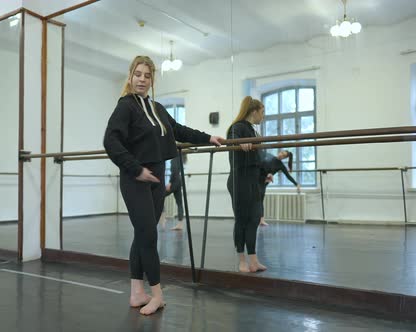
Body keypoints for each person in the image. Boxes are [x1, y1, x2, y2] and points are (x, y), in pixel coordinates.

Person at [103, 55, 225, 315]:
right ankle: (157, 294)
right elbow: (111, 141)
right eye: (138, 74)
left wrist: (208, 137)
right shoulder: (125, 106)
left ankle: (137, 292)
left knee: (142, 234)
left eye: (147, 76)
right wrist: (136, 170)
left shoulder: (157, 108)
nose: (142, 80)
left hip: (157, 175)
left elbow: (178, 130)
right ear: (130, 76)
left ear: (152, 79)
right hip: (136, 177)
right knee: (149, 234)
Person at [226, 96, 266, 273]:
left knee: (255, 218)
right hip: (240, 179)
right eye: (262, 112)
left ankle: (253, 259)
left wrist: (267, 173)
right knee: (242, 219)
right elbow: (233, 138)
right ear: (254, 111)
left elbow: (259, 158)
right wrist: (240, 142)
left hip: (253, 178)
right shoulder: (237, 127)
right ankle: (241, 259)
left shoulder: (253, 130)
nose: (263, 116)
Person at [259, 150, 301, 226]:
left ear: (284, 158)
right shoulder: (269, 156)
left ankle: (261, 220)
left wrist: (296, 184)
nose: (281, 155)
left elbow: (288, 176)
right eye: (282, 153)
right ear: (279, 152)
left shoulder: (280, 165)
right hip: (258, 178)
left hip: (264, 183)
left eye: (284, 156)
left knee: (260, 200)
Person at [160, 154, 186, 231]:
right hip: (179, 181)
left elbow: (174, 170)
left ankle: (163, 216)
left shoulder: (175, 158)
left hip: (174, 182)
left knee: (159, 196)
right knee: (179, 203)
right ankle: (180, 224)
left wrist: (170, 182)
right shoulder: (181, 158)